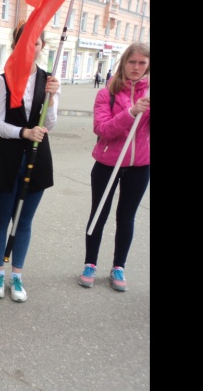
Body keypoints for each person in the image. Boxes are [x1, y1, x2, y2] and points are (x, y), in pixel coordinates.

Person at [0, 21, 60, 303]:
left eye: (35, 43)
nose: (29, 48)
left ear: (42, 46)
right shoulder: (3, 80)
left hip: (37, 160)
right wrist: (23, 132)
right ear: (15, 45)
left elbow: (49, 125)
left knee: (24, 221)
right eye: (23, 42)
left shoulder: (49, 80)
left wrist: (52, 99)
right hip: (6, 159)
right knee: (1, 220)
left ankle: (17, 275)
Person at [78, 42, 150, 292]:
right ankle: (90, 263)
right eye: (132, 62)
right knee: (98, 214)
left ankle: (119, 266)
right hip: (108, 163)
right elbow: (102, 129)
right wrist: (131, 112)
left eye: (142, 63)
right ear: (124, 63)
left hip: (140, 166)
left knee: (126, 217)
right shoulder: (107, 93)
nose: (136, 67)